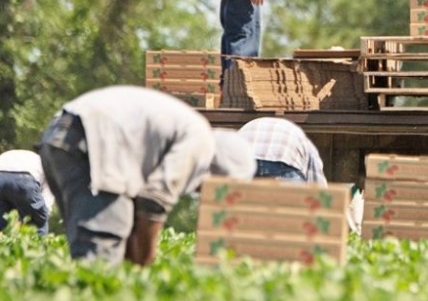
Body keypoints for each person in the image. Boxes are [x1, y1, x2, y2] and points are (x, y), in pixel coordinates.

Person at [37, 86, 256, 266]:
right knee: (101, 254)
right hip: (90, 141)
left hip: (58, 136)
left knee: (91, 241)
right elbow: (153, 202)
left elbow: (138, 212)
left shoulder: (176, 133)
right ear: (219, 170)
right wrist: (145, 266)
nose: (200, 194)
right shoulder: (201, 141)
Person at [237, 117, 327, 185]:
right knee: (291, 203)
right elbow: (317, 186)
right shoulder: (307, 145)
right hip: (283, 159)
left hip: (246, 157)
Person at [0, 149, 54, 234]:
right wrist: (44, 213)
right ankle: (39, 241)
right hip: (24, 180)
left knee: (3, 222)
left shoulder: (33, 158)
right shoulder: (46, 167)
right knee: (40, 221)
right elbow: (48, 197)